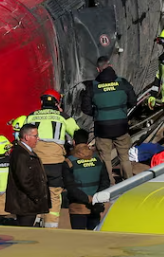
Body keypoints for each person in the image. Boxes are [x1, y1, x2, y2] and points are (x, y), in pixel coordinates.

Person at [25, 91, 76, 228]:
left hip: (34, 163)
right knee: (54, 193)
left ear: (42, 102)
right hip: (55, 164)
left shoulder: (31, 116)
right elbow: (77, 133)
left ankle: (35, 219)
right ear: (57, 103)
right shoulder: (62, 117)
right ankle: (51, 226)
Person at [84, 59, 139, 183]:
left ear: (98, 69)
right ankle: (128, 181)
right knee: (124, 156)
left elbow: (85, 107)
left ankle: (109, 183)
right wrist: (121, 110)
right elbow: (133, 101)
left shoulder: (92, 86)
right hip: (121, 126)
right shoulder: (123, 83)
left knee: (105, 158)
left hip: (102, 127)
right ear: (111, 66)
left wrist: (98, 114)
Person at [7, 124, 51, 227]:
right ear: (27, 137)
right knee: (25, 233)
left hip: (28, 203)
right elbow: (24, 179)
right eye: (35, 136)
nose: (38, 138)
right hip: (26, 205)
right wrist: (37, 196)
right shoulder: (21, 154)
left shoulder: (27, 152)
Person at [64, 140, 108, 230]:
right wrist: (96, 198)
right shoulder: (98, 160)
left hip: (77, 207)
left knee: (79, 238)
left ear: (74, 143)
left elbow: (70, 187)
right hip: (95, 206)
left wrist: (87, 198)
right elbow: (105, 182)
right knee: (94, 236)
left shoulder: (69, 162)